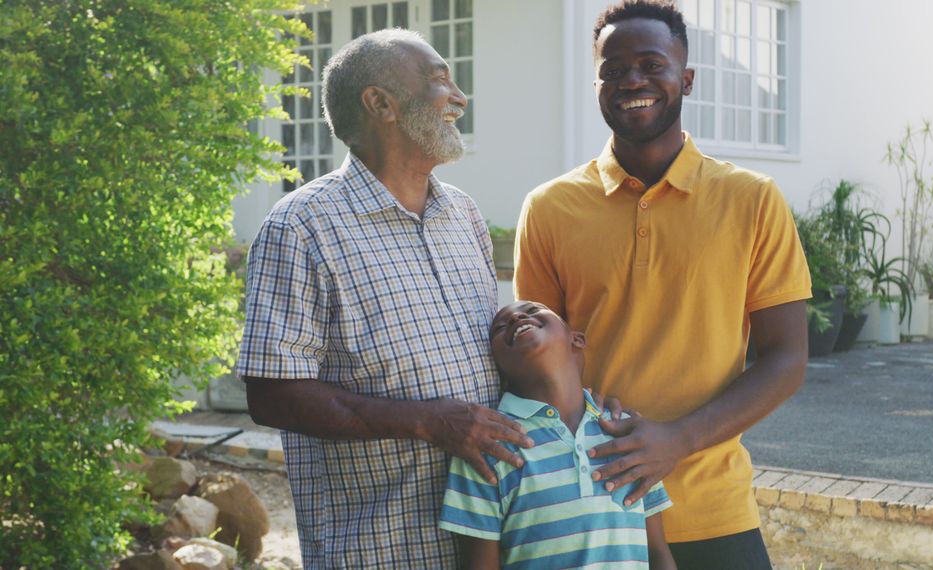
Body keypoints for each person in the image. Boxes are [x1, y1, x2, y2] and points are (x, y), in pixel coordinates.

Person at [513, 1, 812, 568]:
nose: (632, 81)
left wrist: (678, 439)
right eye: (614, 69)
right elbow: (536, 370)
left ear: (687, 78)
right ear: (597, 84)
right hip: (590, 515)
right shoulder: (549, 208)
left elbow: (787, 358)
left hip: (714, 509)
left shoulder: (752, 199)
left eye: (652, 64)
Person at [235, 29, 533, 569]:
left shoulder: (462, 214)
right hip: (381, 549)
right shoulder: (302, 227)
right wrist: (425, 421)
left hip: (490, 547)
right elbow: (271, 396)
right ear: (381, 104)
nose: (460, 98)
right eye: (441, 79)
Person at [439, 301, 676, 569]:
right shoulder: (488, 446)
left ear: (576, 340)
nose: (517, 317)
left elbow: (657, 552)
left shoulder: (629, 434)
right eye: (500, 328)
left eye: (531, 311)